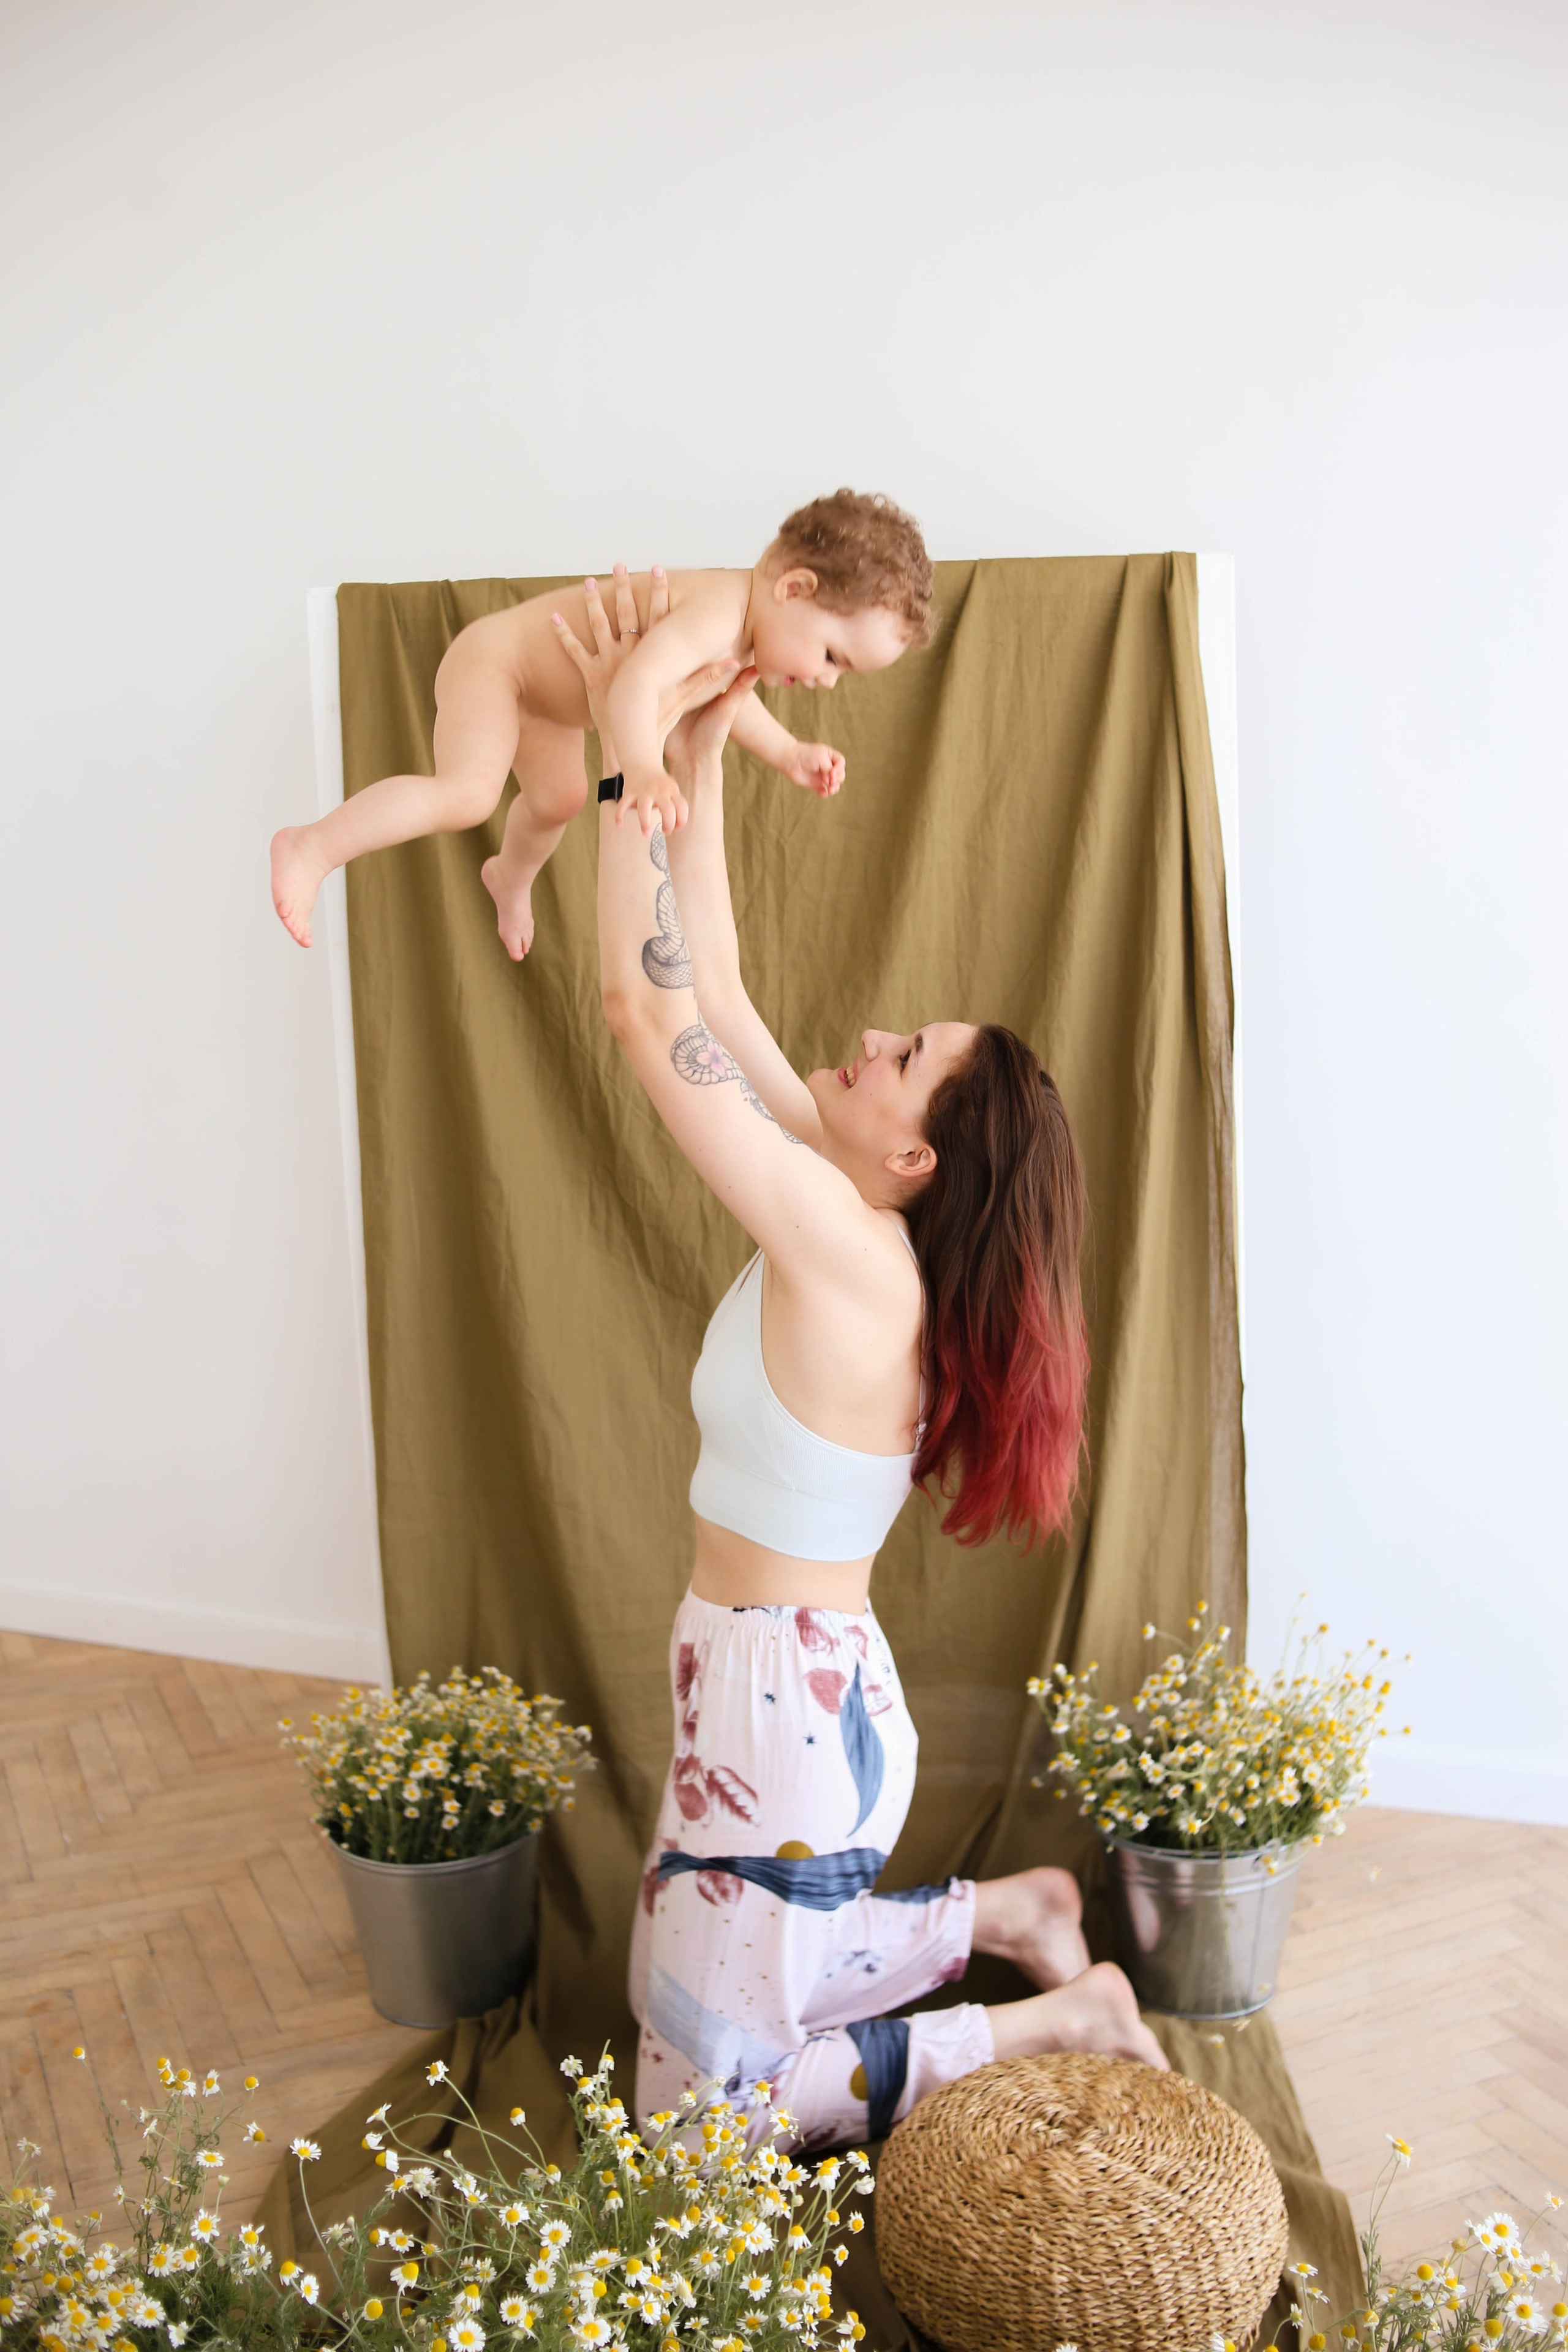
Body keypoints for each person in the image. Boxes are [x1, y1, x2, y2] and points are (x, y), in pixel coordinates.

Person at [564, 570, 1168, 2151]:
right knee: (680, 2010)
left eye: (908, 1060)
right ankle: (1022, 1905)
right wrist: (697, 749)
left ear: (916, 1161)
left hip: (783, 1721)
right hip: (777, 1695)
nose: (879, 1034)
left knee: (703, 2117)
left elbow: (644, 1014)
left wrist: (623, 744)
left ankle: (1062, 2013)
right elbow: (722, 987)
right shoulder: (846, 1213)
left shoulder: (845, 1253)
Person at [268, 489, 932, 960]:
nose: (825, 679)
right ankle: (313, 847)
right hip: (498, 665)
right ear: (795, 589)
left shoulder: (741, 631)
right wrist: (642, 767)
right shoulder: (719, 612)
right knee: (469, 795)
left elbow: (720, 698)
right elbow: (637, 685)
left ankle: (508, 878)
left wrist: (789, 754)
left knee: (559, 798)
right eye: (831, 657)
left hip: (552, 704)